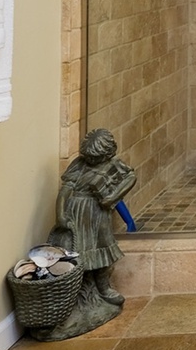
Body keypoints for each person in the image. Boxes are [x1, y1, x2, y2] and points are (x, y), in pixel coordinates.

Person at [39, 128, 136, 339]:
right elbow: (65, 190)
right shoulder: (79, 164)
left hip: (97, 215)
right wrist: (60, 215)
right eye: (89, 157)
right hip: (76, 213)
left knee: (102, 248)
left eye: (95, 158)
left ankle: (103, 288)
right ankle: (72, 294)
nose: (91, 161)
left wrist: (112, 198)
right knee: (75, 251)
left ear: (106, 154)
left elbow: (130, 178)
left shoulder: (113, 165)